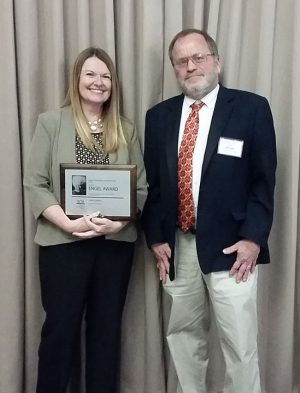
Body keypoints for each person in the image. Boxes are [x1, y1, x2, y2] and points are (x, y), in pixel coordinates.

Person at [142, 29, 276, 393]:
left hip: (234, 249)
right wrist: (156, 239)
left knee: (240, 347)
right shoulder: (158, 117)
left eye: (198, 57)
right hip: (179, 247)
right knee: (183, 337)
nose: (191, 66)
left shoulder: (251, 108)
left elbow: (263, 182)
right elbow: (153, 187)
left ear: (216, 61)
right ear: (174, 70)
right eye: (182, 61)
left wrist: (252, 239)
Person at [24, 47, 147, 393]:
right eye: (91, 74)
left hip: (114, 247)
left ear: (114, 84)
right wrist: (67, 223)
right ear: (77, 79)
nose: (99, 82)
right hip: (63, 245)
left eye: (106, 76)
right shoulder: (51, 122)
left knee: (106, 332)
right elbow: (35, 183)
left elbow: (140, 188)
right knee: (60, 330)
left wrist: (120, 223)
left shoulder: (125, 128)